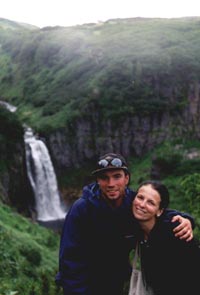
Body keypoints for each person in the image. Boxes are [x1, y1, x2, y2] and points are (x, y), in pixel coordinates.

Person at [55, 153, 194, 295]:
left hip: (116, 282)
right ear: (97, 180)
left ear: (126, 178)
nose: (111, 184)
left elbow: (156, 212)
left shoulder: (133, 203)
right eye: (104, 178)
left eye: (117, 176)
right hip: (86, 284)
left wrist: (186, 219)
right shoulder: (82, 209)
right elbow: (70, 261)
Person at [131, 180, 200, 295]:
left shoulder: (175, 233)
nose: (142, 205)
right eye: (140, 197)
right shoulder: (138, 228)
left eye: (151, 203)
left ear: (159, 211)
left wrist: (188, 220)